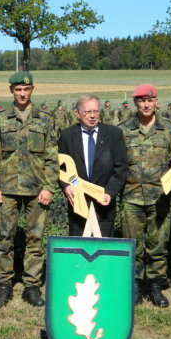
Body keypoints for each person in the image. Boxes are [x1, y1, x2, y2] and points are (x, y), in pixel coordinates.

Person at [0, 71, 58, 308]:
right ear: (11, 91)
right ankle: (4, 284)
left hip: (37, 190)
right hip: (7, 189)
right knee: (4, 238)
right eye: (18, 90)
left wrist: (49, 187)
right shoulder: (1, 119)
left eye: (26, 89)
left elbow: (52, 157)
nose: (22, 94)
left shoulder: (45, 119)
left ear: (32, 90)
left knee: (35, 239)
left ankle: (32, 286)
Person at [119, 84, 171, 307]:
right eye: (142, 100)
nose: (146, 105)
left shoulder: (168, 128)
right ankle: (134, 285)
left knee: (158, 244)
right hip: (131, 196)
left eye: (150, 100)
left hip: (159, 196)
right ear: (135, 102)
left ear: (156, 102)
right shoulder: (123, 129)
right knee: (132, 244)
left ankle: (155, 286)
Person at [58, 95, 128, 237]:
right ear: (77, 113)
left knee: (103, 246)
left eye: (95, 111)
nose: (92, 116)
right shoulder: (67, 135)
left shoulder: (114, 134)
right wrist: (66, 186)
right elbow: (60, 166)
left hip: (104, 203)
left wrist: (110, 192)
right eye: (87, 112)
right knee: (79, 246)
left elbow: (120, 167)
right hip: (78, 202)